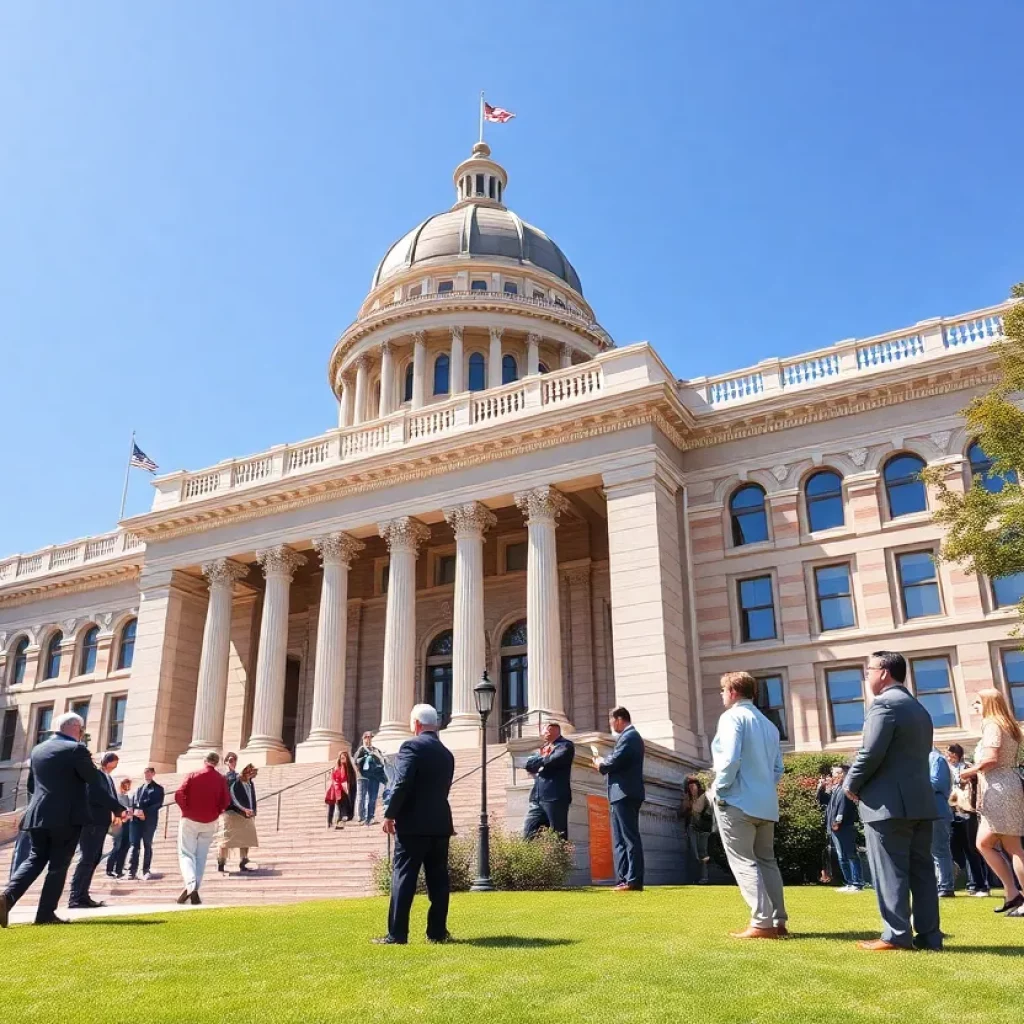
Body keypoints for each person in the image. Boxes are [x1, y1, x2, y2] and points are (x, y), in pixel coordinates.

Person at [845, 651, 941, 951]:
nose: (867, 676)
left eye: (869, 670)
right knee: (922, 872)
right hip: (921, 803)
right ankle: (929, 937)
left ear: (884, 672)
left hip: (887, 805)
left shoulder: (884, 705)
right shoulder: (919, 708)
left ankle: (896, 936)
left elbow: (870, 753)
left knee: (890, 870)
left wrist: (850, 784)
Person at [1, 713, 100, 927]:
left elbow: (30, 786)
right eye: (82, 730)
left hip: (37, 814)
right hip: (66, 817)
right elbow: (92, 778)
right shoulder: (76, 749)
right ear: (75, 727)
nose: (83, 734)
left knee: (35, 859)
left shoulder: (38, 750)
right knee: (58, 865)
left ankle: (7, 897)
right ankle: (45, 914)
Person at [710, 672, 788, 939]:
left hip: (737, 801)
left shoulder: (732, 717)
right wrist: (763, 785)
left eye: (723, 690)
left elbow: (730, 760)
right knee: (767, 860)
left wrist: (719, 789)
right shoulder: (770, 725)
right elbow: (778, 769)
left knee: (744, 861)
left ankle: (762, 923)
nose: (721, 695)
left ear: (732, 692)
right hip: (766, 803)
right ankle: (778, 921)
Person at [373, 704, 455, 945]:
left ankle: (397, 934)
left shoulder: (411, 746)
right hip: (440, 822)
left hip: (413, 824)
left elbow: (402, 784)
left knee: (404, 876)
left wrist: (390, 814)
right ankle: (437, 932)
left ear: (417, 724)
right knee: (438, 879)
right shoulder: (446, 752)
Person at [957, 689, 1024, 916]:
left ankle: (1018, 896)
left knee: (1013, 847)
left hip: (999, 788)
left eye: (977, 702)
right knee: (983, 843)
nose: (974, 707)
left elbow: (992, 759)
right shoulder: (1008, 724)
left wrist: (969, 772)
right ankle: (1012, 893)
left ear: (988, 703)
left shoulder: (992, 724)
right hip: (1004, 786)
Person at [594, 706, 646, 892]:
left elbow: (613, 762)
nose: (611, 726)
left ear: (618, 719)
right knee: (620, 840)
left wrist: (601, 763)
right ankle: (624, 879)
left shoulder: (629, 737)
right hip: (620, 794)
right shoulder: (628, 738)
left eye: (611, 722)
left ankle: (633, 880)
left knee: (629, 838)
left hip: (626, 794)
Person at [69, 751, 128, 909]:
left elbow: (106, 797)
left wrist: (115, 814)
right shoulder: (94, 776)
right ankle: (76, 897)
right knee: (87, 859)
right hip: (91, 823)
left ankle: (83, 895)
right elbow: (97, 795)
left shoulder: (104, 777)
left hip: (100, 823)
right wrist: (119, 810)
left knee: (93, 858)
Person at [174, 750, 231, 905]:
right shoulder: (220, 779)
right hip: (210, 821)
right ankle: (194, 887)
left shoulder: (193, 775)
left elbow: (179, 793)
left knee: (186, 853)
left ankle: (190, 884)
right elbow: (226, 800)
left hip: (190, 819)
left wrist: (186, 809)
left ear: (205, 761)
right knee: (201, 856)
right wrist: (217, 811)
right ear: (217, 762)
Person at [945, 744, 989, 897]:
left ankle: (979, 884)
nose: (947, 757)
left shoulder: (967, 768)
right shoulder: (945, 768)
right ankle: (958, 878)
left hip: (966, 811)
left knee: (971, 848)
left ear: (956, 754)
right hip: (950, 811)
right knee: (953, 847)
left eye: (949, 754)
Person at [523, 720, 575, 841]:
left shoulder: (565, 745)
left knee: (557, 835)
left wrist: (540, 762)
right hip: (537, 798)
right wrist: (541, 761)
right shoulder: (544, 748)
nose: (543, 733)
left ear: (553, 730)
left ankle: (560, 859)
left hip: (555, 798)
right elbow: (529, 764)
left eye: (545, 730)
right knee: (528, 833)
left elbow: (554, 759)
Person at [823, 764, 865, 892]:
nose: (833, 776)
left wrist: (837, 821)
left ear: (842, 774)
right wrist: (823, 788)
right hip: (835, 828)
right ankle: (849, 882)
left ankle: (857, 883)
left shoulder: (845, 789)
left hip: (844, 827)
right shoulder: (836, 789)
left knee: (851, 854)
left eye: (836, 773)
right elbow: (825, 801)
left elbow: (843, 808)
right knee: (842, 856)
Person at [217, 763, 259, 873]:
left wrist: (253, 811)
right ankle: (221, 862)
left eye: (253, 772)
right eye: (249, 772)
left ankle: (243, 861)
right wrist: (243, 809)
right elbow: (233, 798)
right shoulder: (234, 782)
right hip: (233, 814)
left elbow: (251, 798)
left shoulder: (250, 783)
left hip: (247, 815)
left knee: (246, 840)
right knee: (226, 840)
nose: (251, 774)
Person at [127, 767, 165, 881]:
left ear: (153, 774)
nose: (146, 774)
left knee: (147, 845)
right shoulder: (139, 788)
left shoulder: (158, 789)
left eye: (148, 772)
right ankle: (131, 871)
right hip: (136, 821)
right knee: (134, 846)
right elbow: (134, 802)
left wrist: (145, 813)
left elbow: (158, 804)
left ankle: (146, 870)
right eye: (145, 772)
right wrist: (132, 811)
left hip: (149, 821)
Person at [928, 749, 956, 898]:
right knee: (933, 851)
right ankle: (940, 883)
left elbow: (936, 783)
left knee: (940, 850)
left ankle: (946, 886)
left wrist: (913, 780)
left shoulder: (936, 758)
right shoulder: (924, 756)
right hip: (928, 811)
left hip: (937, 811)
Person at [679, 775, 713, 884]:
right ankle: (694, 878)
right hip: (692, 828)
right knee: (694, 853)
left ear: (698, 786)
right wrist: (687, 806)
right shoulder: (687, 799)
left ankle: (704, 878)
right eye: (690, 787)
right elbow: (680, 814)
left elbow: (710, 812)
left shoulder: (704, 797)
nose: (692, 788)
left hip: (703, 829)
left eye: (694, 786)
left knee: (703, 853)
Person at [354, 732, 387, 825]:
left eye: (370, 737)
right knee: (362, 797)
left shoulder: (376, 750)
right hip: (363, 777)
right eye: (366, 737)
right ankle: (361, 817)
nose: (368, 739)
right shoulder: (361, 749)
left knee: (373, 798)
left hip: (374, 777)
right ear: (363, 739)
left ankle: (370, 817)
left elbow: (382, 761)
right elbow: (355, 762)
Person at [104, 777, 134, 879]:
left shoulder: (128, 797)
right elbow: (114, 810)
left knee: (125, 846)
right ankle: (109, 869)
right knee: (117, 846)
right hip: (118, 823)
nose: (127, 787)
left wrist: (130, 815)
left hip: (128, 823)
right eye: (125, 785)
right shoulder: (116, 796)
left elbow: (130, 810)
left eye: (128, 785)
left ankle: (119, 870)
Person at [325, 752, 356, 829]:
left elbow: (352, 782)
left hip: (344, 791)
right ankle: (329, 822)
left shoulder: (350, 769)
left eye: (344, 758)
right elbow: (333, 778)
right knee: (331, 804)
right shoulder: (336, 768)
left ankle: (340, 820)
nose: (342, 759)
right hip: (335, 789)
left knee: (342, 805)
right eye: (341, 758)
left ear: (347, 759)